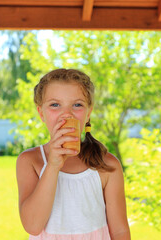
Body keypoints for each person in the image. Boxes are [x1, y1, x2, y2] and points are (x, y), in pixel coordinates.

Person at [16, 69, 131, 240]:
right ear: (41, 113)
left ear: (88, 113)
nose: (67, 114)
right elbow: (32, 225)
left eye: (77, 105)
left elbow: (120, 231)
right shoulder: (30, 161)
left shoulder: (107, 165)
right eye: (55, 105)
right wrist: (53, 165)